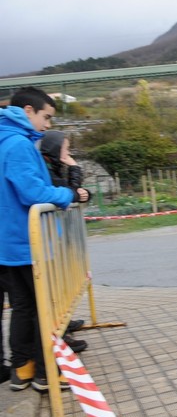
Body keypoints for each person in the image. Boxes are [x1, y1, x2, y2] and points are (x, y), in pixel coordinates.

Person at [0, 87, 90, 393]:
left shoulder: (4, 140)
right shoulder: (18, 145)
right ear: (28, 111)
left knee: (23, 308)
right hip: (30, 243)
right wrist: (68, 194)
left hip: (10, 244)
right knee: (44, 310)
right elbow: (33, 192)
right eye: (46, 117)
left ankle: (21, 369)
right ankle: (46, 372)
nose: (48, 125)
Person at [39, 130, 89, 354]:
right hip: (44, 238)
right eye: (65, 149)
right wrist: (75, 168)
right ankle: (60, 335)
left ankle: (64, 324)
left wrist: (81, 192)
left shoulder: (53, 167)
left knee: (57, 287)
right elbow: (68, 191)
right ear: (54, 149)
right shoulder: (46, 169)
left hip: (53, 237)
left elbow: (74, 193)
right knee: (49, 289)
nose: (68, 153)